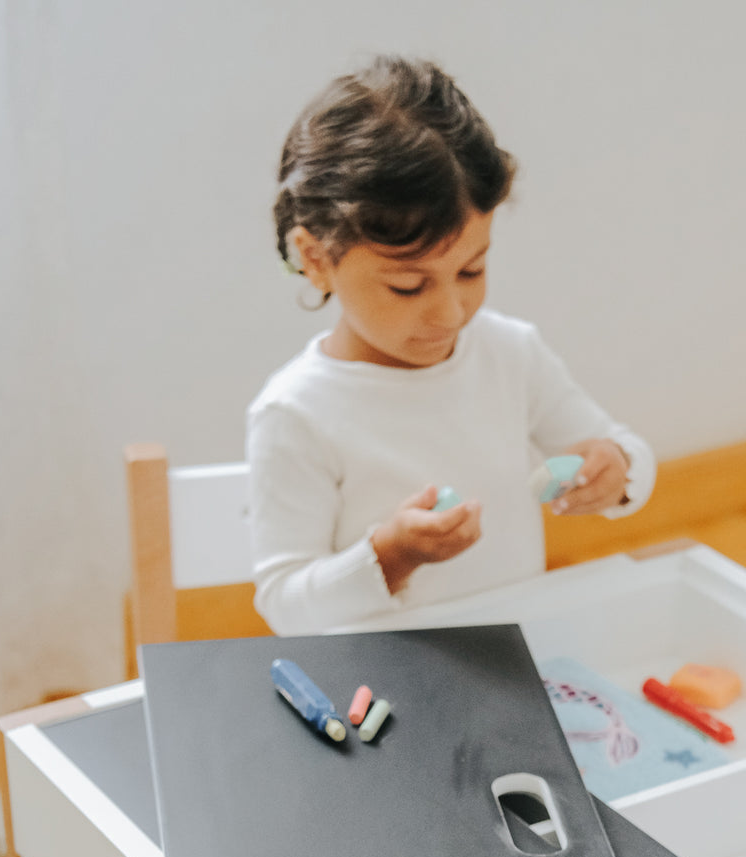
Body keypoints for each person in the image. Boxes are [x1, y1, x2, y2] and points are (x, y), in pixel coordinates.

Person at [248, 57, 655, 634]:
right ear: (316, 259)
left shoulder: (511, 355)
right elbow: (285, 604)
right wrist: (391, 555)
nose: (450, 312)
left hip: (515, 658)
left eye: (471, 270)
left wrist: (617, 469)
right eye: (408, 285)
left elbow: (620, 448)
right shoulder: (296, 414)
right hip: (382, 683)